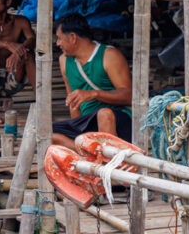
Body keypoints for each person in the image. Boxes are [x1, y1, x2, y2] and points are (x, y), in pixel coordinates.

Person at [52, 14, 132, 150]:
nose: (57, 43)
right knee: (47, 134)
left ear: (72, 37)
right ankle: (90, 152)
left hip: (117, 119)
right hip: (87, 123)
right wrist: (77, 129)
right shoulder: (64, 60)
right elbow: (73, 104)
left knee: (104, 114)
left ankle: (108, 160)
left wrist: (94, 94)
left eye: (59, 38)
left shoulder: (109, 55)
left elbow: (129, 97)